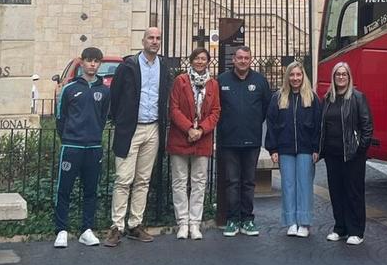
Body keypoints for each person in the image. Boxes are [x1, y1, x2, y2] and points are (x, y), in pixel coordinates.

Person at [105, 27, 173, 247]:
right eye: (150, 38)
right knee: (123, 179)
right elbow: (115, 96)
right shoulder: (129, 66)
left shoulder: (163, 66)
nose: (154, 41)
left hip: (153, 128)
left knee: (143, 180)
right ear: (143, 41)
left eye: (158, 38)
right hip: (130, 129)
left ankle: (135, 224)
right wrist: (121, 121)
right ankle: (116, 227)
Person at [53, 47, 110, 248]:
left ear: (100, 64)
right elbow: (60, 117)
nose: (92, 64)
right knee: (64, 189)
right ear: (82, 62)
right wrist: (68, 137)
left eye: (96, 61)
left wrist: (94, 135)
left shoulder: (105, 91)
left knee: (91, 190)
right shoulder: (69, 89)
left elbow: (103, 117)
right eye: (89, 60)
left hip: (93, 146)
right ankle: (61, 230)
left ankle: (86, 230)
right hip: (71, 146)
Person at [216, 46, 271, 237]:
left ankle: (247, 219)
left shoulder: (260, 81)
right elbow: (215, 108)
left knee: (248, 182)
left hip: (252, 141)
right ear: (234, 59)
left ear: (250, 59)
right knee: (232, 182)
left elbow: (266, 108)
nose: (242, 61)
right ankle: (232, 220)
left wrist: (253, 123)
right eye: (239, 57)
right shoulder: (222, 80)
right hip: (228, 141)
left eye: (246, 58)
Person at [167, 48, 220, 241]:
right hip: (181, 136)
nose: (200, 61)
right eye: (196, 58)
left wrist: (201, 130)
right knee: (179, 181)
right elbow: (174, 108)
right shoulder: (180, 81)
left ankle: (195, 223)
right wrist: (189, 128)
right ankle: (182, 222)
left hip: (202, 138)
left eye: (203, 58)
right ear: (191, 61)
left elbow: (215, 111)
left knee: (199, 182)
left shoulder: (213, 84)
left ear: (208, 61)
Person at [265, 61, 321, 238]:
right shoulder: (278, 97)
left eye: (298, 74)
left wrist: (316, 148)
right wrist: (273, 149)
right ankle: (291, 222)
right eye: (292, 74)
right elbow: (271, 124)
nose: (295, 78)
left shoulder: (312, 98)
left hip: (306, 149)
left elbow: (318, 125)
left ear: (303, 76)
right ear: (287, 77)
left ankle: (304, 222)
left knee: (305, 185)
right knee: (288, 185)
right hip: (285, 148)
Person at [320, 62, 373, 245]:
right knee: (336, 192)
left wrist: (360, 150)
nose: (341, 77)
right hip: (332, 154)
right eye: (338, 74)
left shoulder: (358, 98)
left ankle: (356, 231)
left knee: (353, 193)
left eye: (344, 74)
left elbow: (367, 126)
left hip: (352, 155)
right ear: (333, 77)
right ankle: (340, 228)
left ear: (349, 77)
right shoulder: (328, 98)